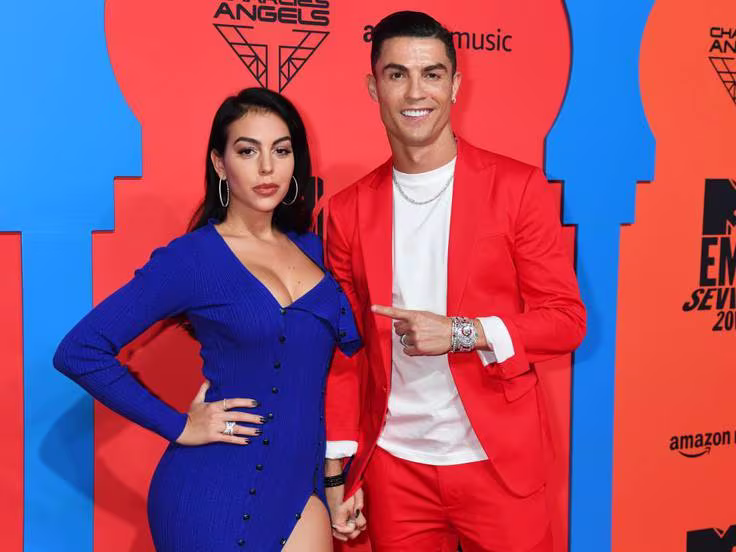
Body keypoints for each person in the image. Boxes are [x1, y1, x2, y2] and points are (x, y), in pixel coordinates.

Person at [53, 87, 361, 551]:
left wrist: (336, 481)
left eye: (281, 151)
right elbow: (79, 351)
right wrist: (179, 426)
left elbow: (347, 371)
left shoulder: (317, 250)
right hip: (211, 491)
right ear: (220, 163)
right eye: (248, 151)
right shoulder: (193, 259)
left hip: (302, 490)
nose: (267, 168)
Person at [323, 11, 586, 552]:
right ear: (373, 87)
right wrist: (338, 470)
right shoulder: (345, 212)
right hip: (394, 467)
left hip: (497, 460)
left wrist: (463, 333)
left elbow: (566, 321)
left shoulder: (517, 188)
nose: (415, 92)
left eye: (432, 74)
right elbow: (345, 353)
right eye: (397, 74)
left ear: (455, 85)